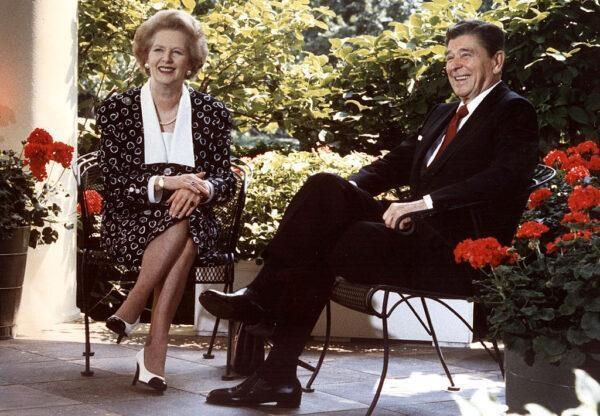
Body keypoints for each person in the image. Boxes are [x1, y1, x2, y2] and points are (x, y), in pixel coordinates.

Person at [199, 20, 539, 408]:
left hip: (455, 252)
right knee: (325, 190)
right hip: (414, 234)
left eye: (466, 54)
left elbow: (504, 178)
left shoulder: (513, 110)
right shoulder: (443, 114)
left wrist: (425, 203)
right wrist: (341, 196)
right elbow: (392, 165)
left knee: (337, 240)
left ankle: (270, 347)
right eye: (449, 57)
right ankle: (272, 359)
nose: (454, 65)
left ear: (496, 61)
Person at [95, 10, 235, 392]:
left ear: (191, 61)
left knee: (186, 220)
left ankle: (133, 307)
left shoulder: (213, 113)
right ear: (145, 56)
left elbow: (225, 179)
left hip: (193, 215)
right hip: (131, 220)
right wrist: (169, 182)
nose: (166, 59)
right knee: (185, 226)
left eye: (177, 52)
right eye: (158, 50)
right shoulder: (117, 110)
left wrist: (201, 189)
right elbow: (114, 183)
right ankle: (154, 350)